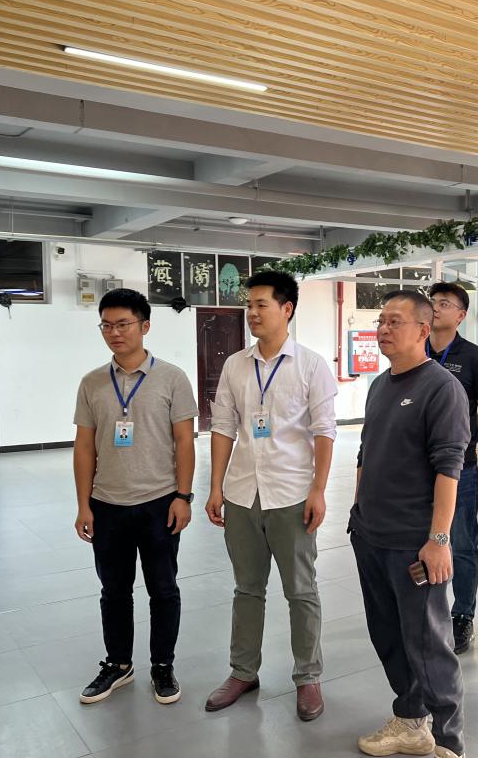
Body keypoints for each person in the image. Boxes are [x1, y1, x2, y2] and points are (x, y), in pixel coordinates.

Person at [205, 271, 337, 722]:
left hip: (291, 493)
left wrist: (318, 490)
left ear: (287, 309)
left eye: (261, 304)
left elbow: (324, 431)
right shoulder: (235, 365)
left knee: (301, 591)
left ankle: (308, 676)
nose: (252, 313)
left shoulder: (311, 365)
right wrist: (216, 486)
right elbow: (223, 427)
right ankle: (243, 672)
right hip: (243, 492)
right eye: (249, 305)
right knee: (247, 589)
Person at [350, 290, 470, 758]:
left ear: (423, 329)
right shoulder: (380, 384)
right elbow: (365, 453)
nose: (383, 329)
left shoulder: (442, 388)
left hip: (413, 543)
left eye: (394, 321)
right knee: (388, 636)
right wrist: (357, 512)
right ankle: (410, 720)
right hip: (370, 534)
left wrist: (439, 539)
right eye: (380, 321)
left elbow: (449, 469)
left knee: (428, 645)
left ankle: (449, 742)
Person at [72, 288, 198, 706]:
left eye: (123, 324)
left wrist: (183, 496)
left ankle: (162, 665)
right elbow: (84, 447)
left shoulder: (172, 378)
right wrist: (84, 504)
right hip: (107, 505)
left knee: (163, 589)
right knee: (114, 591)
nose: (114, 332)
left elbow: (184, 442)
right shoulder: (91, 382)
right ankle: (118, 664)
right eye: (106, 325)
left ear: (145, 326)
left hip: (159, 503)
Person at [425, 281, 478, 655]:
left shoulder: (473, 357)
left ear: (461, 315)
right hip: (416, 467)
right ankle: (425, 611)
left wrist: (465, 441)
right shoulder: (415, 348)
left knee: (462, 542)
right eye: (433, 302)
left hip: (459, 468)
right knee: (419, 539)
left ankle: (463, 614)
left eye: (444, 303)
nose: (436, 307)